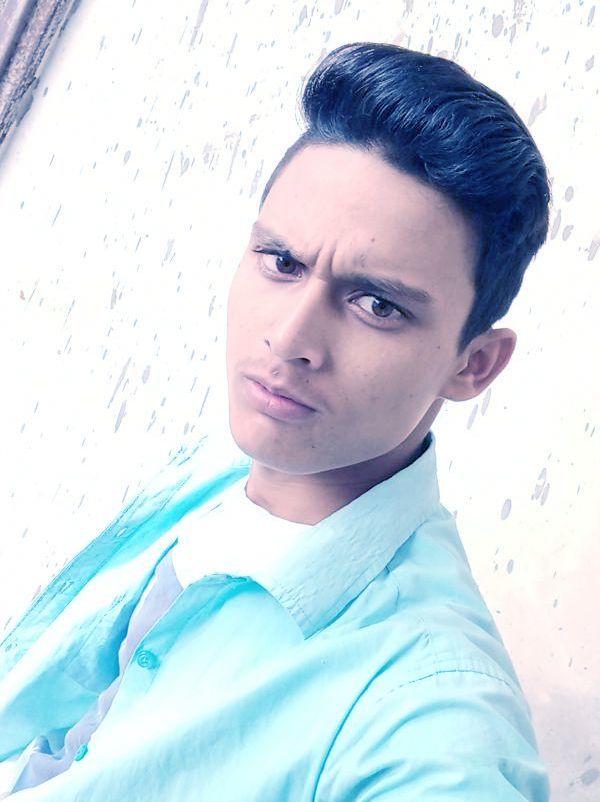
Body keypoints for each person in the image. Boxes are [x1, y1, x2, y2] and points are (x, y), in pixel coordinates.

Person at [0, 42, 551, 800]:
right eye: (283, 263)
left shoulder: (431, 726)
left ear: (474, 364)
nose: (289, 340)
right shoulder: (224, 471)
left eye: (377, 304)